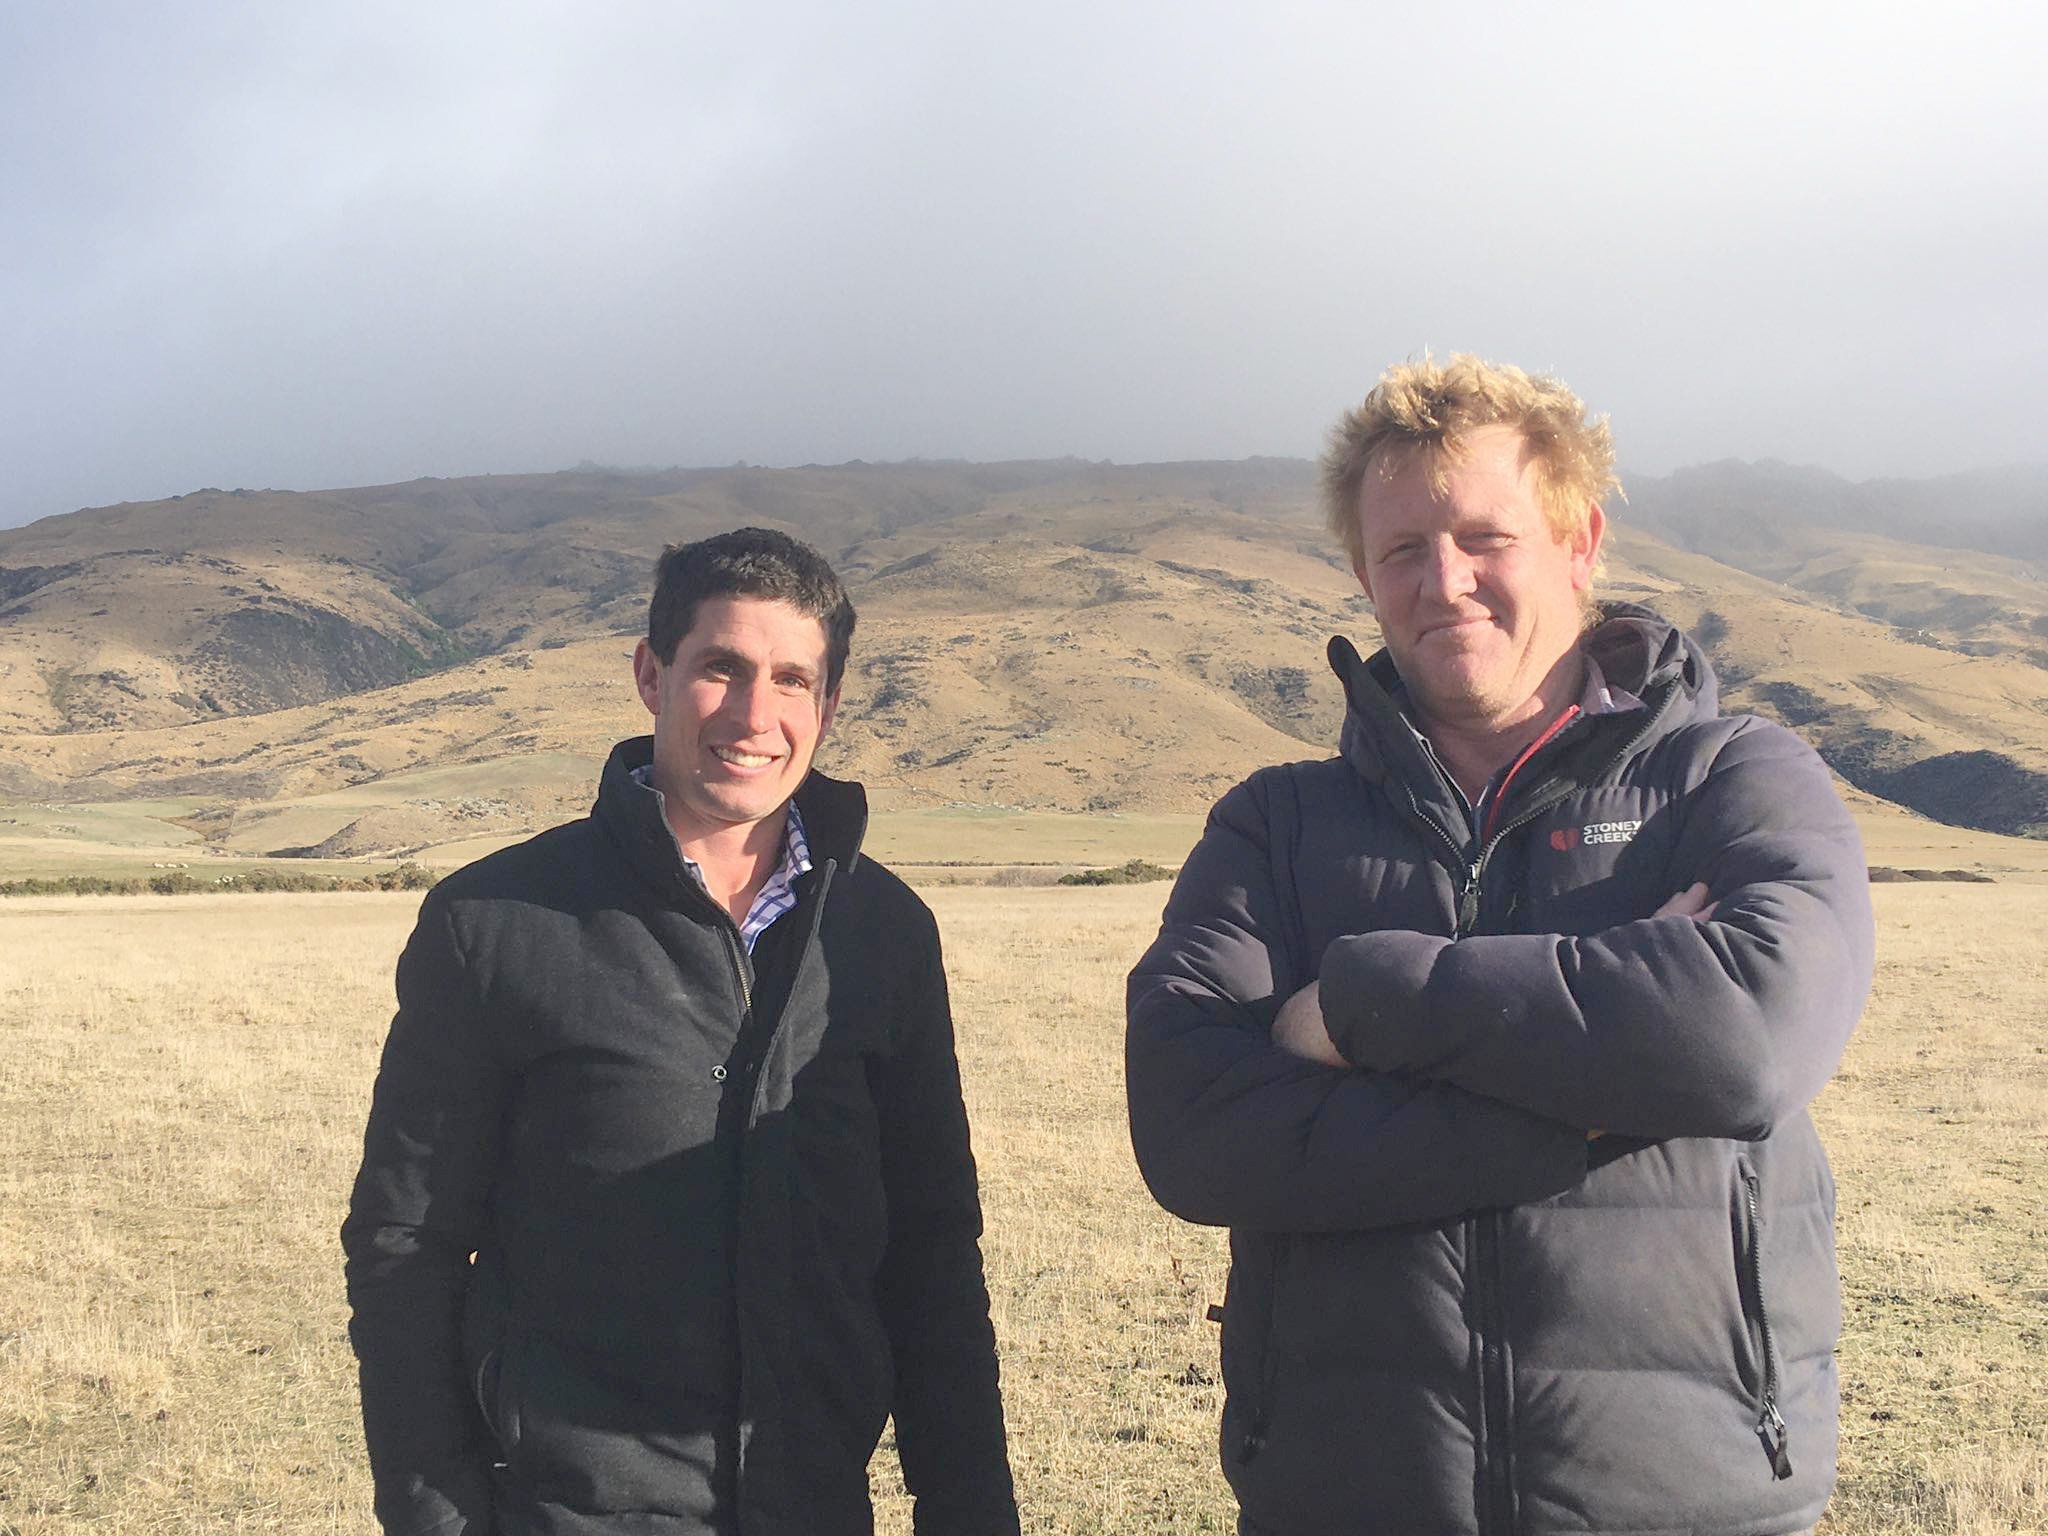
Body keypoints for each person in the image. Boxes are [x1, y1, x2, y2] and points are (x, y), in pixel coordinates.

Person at [1126, 355, 1875, 1536]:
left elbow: (1742, 1042)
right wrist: (1599, 1093)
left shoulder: (1732, 775)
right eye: (1399, 552)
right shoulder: (1273, 825)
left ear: (1578, 543)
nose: (1442, 583)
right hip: (1349, 1493)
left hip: (1683, 1496)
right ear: (1362, 576)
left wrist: (1360, 1001)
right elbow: (1192, 1132)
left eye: (1484, 538)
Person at [344, 527, 1019, 1536]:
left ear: (827, 707)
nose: (755, 715)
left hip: (813, 1508)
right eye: (721, 669)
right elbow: (406, 1245)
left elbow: (930, 1249)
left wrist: (970, 1510)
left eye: (793, 680)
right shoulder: (494, 924)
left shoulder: (883, 933)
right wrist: (437, 1515)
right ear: (650, 674)